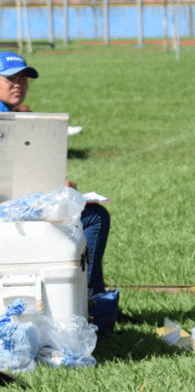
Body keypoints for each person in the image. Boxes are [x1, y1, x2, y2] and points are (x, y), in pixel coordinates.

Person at [0, 52, 109, 300]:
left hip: (8, 201)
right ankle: (89, 300)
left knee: (81, 210)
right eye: (11, 79)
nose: (19, 85)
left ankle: (92, 299)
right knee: (95, 217)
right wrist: (52, 190)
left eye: (24, 79)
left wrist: (54, 188)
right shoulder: (5, 118)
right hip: (5, 207)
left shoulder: (11, 114)